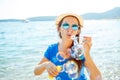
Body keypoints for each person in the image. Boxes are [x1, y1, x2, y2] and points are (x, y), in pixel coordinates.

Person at [34, 13, 102, 80]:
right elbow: (36, 72)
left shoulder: (80, 50)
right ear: (59, 29)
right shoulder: (51, 49)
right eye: (66, 25)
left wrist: (86, 54)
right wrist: (45, 65)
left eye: (74, 26)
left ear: (78, 31)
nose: (70, 29)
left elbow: (98, 78)